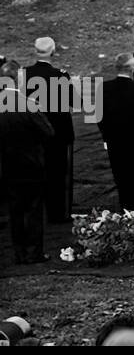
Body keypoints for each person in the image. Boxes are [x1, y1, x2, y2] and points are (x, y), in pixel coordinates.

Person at [0, 73, 53, 264]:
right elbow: (48, 132)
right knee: (34, 210)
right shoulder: (28, 104)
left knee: (15, 211)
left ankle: (19, 252)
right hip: (32, 165)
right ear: (18, 80)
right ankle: (34, 252)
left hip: (8, 166)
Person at [97, 52, 134, 211]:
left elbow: (98, 116)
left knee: (121, 178)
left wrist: (106, 136)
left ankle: (125, 209)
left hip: (115, 141)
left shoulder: (103, 88)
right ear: (132, 69)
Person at [27, 37, 74, 223]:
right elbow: (73, 102)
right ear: (53, 51)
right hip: (58, 131)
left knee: (36, 172)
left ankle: (38, 211)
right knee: (58, 173)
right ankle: (57, 213)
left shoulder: (26, 74)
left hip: (34, 132)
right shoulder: (61, 75)